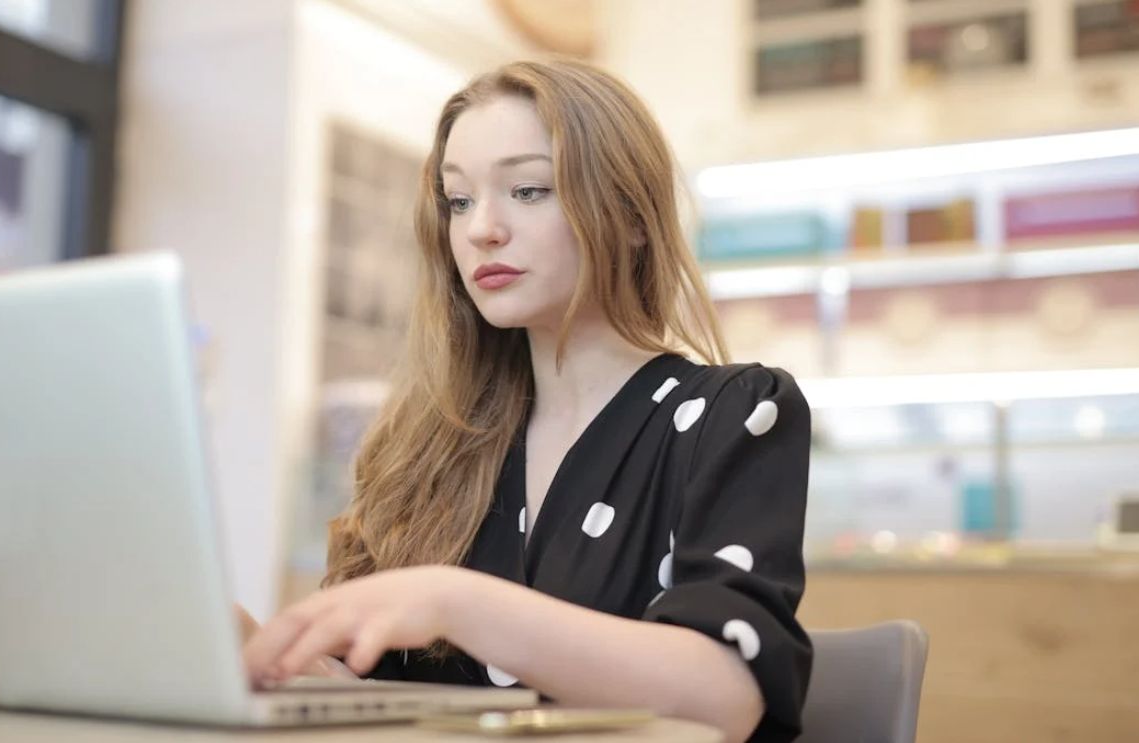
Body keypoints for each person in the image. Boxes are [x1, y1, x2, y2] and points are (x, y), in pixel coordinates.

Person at [241, 58, 812, 743]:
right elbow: (366, 704)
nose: (481, 228)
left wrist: (456, 603)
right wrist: (238, 643)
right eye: (457, 201)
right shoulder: (430, 444)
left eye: (528, 189)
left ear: (631, 216)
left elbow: (723, 695)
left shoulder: (731, 412)